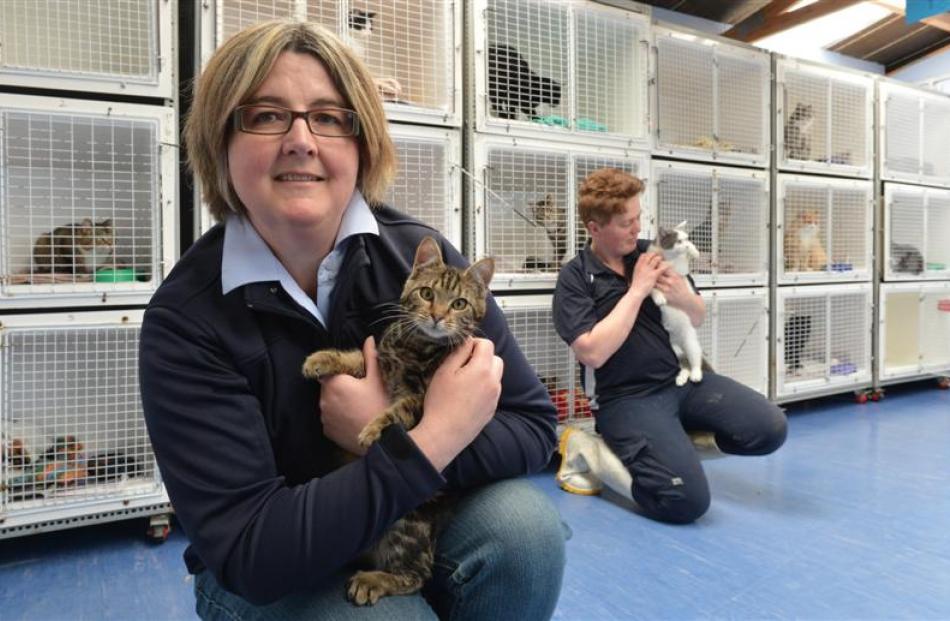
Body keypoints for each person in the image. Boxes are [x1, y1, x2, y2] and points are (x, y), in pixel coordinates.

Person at [139, 21, 565, 620]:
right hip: (275, 561)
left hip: (409, 513)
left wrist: (389, 440)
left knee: (525, 534)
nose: (301, 140)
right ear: (219, 142)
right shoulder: (186, 321)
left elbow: (534, 426)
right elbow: (249, 553)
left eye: (330, 117)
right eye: (264, 115)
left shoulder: (420, 254)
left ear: (362, 143)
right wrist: (427, 440)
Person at [552, 168, 787, 524]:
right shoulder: (575, 277)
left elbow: (697, 316)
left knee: (769, 429)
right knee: (684, 502)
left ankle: (669, 448)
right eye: (625, 223)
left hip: (678, 382)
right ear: (594, 228)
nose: (636, 229)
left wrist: (683, 296)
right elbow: (592, 352)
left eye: (638, 218)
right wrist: (637, 290)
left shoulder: (651, 253)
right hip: (625, 399)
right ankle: (590, 452)